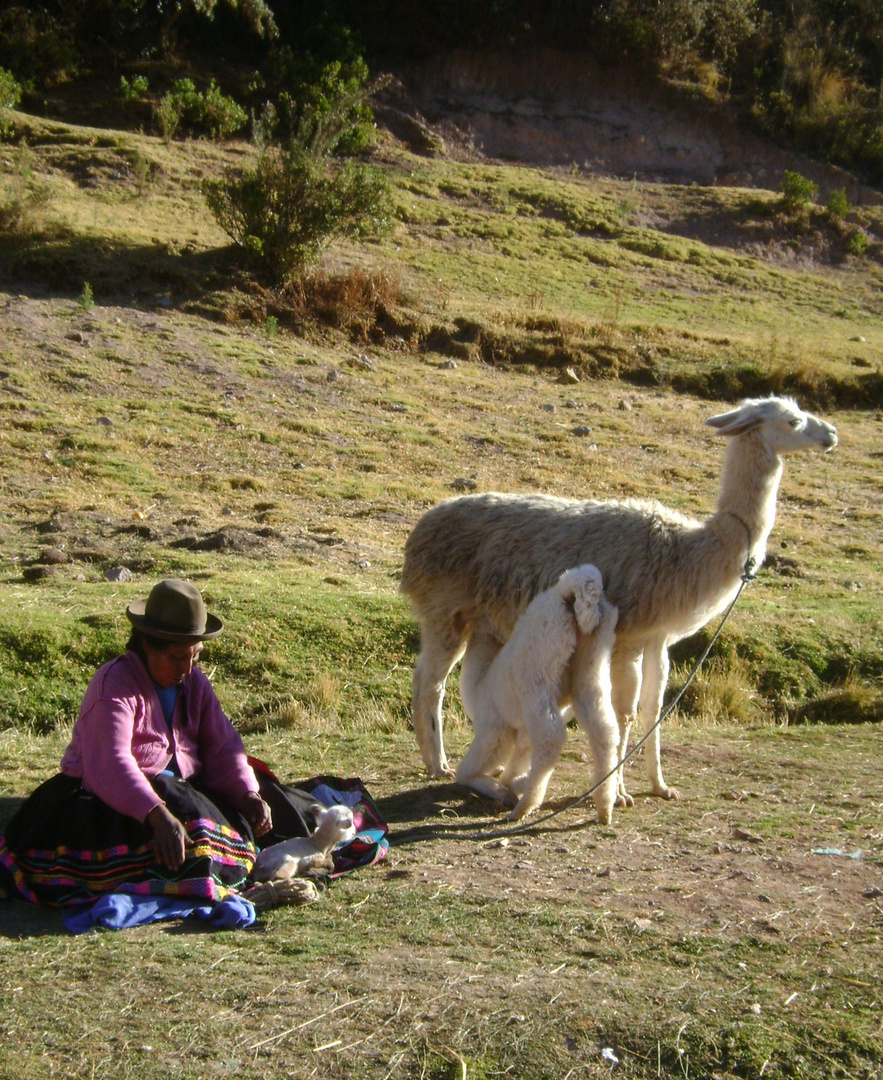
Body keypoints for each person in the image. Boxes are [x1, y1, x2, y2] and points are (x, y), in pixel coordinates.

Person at [0, 579, 317, 909]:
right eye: (178, 657)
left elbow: (223, 746)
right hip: (115, 801)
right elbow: (110, 762)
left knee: (271, 801)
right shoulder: (115, 686)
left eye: (195, 655)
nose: (188, 668)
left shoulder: (195, 684)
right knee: (185, 818)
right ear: (148, 645)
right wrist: (155, 814)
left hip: (178, 789)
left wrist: (246, 793)